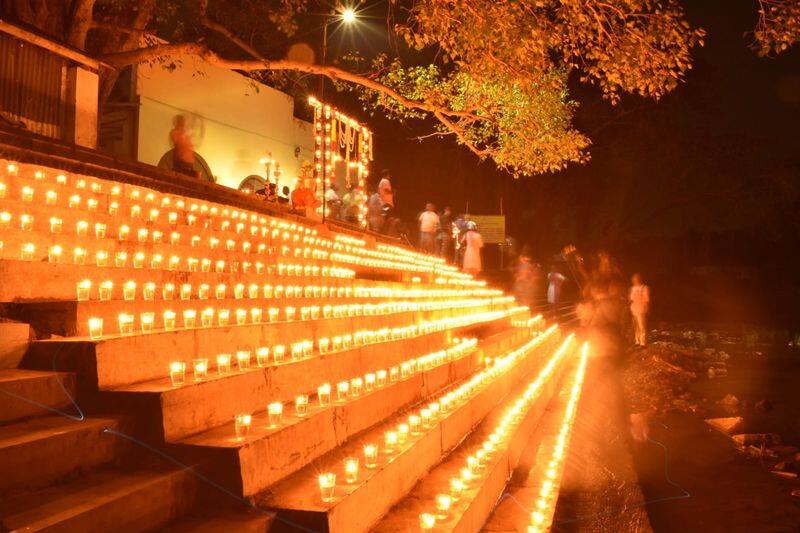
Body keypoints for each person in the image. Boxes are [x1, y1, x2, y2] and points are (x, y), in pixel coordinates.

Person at [629, 273, 651, 347]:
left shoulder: (644, 288)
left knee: (642, 326)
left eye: (636, 279)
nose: (634, 280)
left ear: (639, 279)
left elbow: (646, 299)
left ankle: (643, 343)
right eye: (633, 279)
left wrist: (646, 308)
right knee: (636, 326)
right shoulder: (633, 288)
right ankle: (637, 341)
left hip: (641, 308)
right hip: (634, 309)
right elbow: (631, 299)